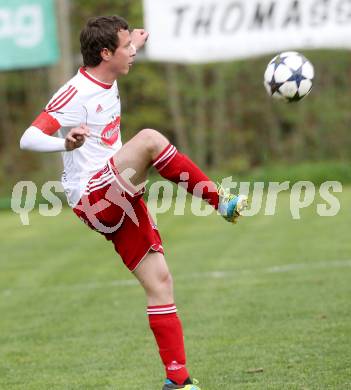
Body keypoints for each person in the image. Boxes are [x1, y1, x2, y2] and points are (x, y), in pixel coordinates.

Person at [20, 15, 247, 390]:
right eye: (127, 48)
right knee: (149, 140)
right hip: (93, 196)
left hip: (120, 194)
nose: (133, 53)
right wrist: (66, 142)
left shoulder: (110, 69)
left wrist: (137, 38)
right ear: (106, 53)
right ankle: (218, 200)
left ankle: (178, 380)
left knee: (160, 282)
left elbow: (128, 45)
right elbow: (28, 137)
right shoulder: (74, 93)